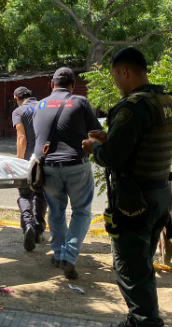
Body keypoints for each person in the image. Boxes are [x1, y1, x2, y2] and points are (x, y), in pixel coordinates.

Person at [82, 47, 172, 327]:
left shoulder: (133, 106)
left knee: (130, 269)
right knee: (142, 264)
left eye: (115, 75)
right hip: (159, 195)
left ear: (124, 71)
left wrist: (96, 147)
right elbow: (140, 142)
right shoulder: (164, 100)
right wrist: (110, 137)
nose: (115, 82)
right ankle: (137, 320)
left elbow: (112, 157)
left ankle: (143, 322)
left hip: (135, 201)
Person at [32, 67, 102, 280]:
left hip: (48, 167)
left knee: (56, 212)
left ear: (52, 85)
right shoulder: (80, 102)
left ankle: (58, 255)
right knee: (81, 211)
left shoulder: (40, 104)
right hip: (76, 165)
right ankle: (69, 257)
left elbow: (39, 134)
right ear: (73, 86)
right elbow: (96, 133)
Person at [12, 86, 47, 251]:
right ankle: (39, 232)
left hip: (28, 160)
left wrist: (19, 161)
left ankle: (28, 225)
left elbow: (21, 137)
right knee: (40, 195)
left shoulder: (19, 111)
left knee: (25, 195)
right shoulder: (44, 106)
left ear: (17, 97)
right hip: (45, 158)